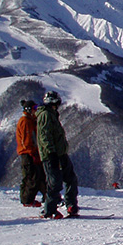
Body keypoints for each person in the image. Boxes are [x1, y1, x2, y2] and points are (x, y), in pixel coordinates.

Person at [36, 91, 79, 219]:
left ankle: (71, 205)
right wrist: (51, 153)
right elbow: (45, 135)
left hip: (60, 153)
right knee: (54, 182)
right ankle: (49, 210)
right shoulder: (45, 115)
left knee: (71, 178)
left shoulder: (52, 114)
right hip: (51, 155)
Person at [16, 99, 46, 207]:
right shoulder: (25, 121)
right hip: (28, 153)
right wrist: (32, 152)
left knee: (39, 176)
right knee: (31, 177)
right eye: (34, 108)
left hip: (32, 152)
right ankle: (27, 200)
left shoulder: (31, 120)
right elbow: (26, 140)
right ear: (29, 110)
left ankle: (45, 197)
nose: (36, 110)